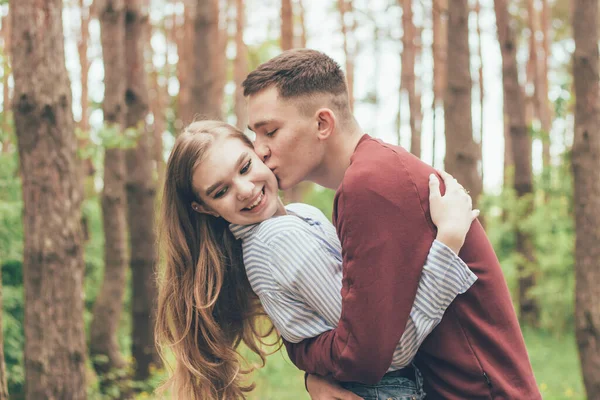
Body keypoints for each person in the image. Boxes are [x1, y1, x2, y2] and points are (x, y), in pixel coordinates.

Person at [242, 48, 542, 399]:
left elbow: (364, 356)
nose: (259, 150)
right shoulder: (372, 175)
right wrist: (314, 376)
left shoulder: (371, 184)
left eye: (270, 132)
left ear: (323, 123)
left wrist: (301, 352)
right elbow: (364, 338)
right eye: (254, 135)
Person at [155, 120, 479, 400]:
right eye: (220, 191)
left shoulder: (300, 215)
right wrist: (447, 243)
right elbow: (386, 352)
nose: (244, 189)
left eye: (244, 167)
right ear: (205, 209)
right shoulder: (279, 242)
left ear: (259, 152)